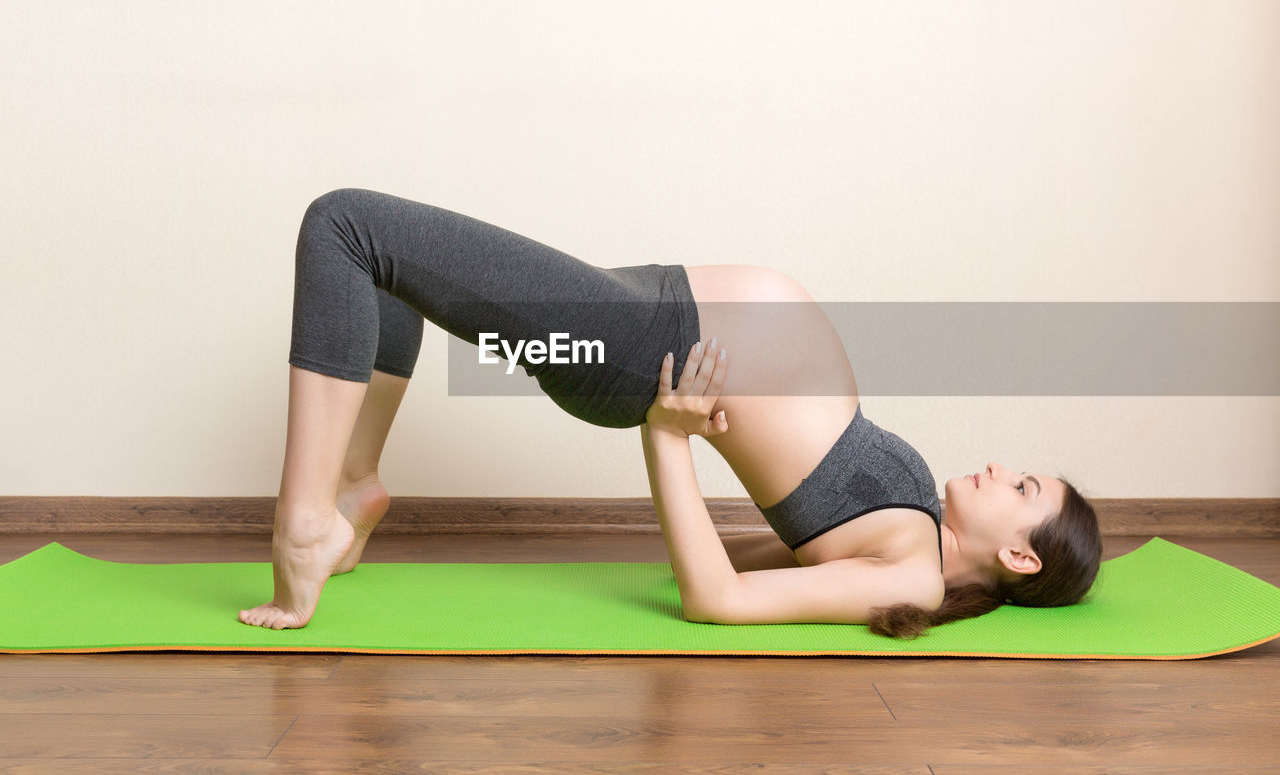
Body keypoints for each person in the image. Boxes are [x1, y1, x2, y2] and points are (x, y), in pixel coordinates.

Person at [238, 188, 1102, 636]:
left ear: (1022, 555)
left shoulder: (912, 574)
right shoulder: (913, 534)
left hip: (632, 348)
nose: (1000, 469)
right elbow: (765, 560)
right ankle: (353, 490)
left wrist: (667, 432)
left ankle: (308, 519)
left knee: (343, 226)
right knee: (388, 266)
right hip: (639, 310)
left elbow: (715, 599)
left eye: (1023, 485)